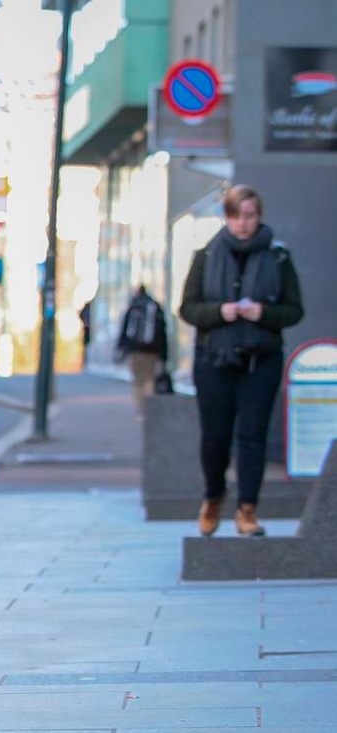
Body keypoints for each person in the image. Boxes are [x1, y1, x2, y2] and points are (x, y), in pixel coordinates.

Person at [179, 184, 303, 538]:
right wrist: (222, 311)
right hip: (214, 358)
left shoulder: (278, 257)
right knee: (215, 438)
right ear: (226, 217)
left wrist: (262, 312)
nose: (243, 224)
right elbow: (187, 308)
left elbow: (294, 310)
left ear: (259, 216)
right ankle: (213, 496)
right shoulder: (206, 255)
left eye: (249, 216)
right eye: (235, 216)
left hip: (260, 359)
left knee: (252, 437)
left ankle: (247, 510)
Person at [115, 285, 168, 418]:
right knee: (150, 379)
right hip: (152, 351)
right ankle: (148, 409)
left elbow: (124, 329)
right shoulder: (154, 306)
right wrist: (164, 354)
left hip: (135, 351)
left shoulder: (134, 306)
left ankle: (139, 408)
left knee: (137, 380)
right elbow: (162, 332)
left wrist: (121, 348)